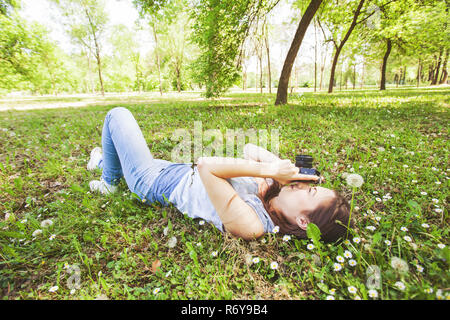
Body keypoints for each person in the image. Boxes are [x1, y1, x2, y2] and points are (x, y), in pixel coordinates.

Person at [88, 107, 352, 242]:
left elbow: (207, 166)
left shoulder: (253, 225)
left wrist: (271, 171)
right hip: (174, 169)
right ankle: (102, 162)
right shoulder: (272, 190)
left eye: (311, 191)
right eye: (309, 183)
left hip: (153, 182)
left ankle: (109, 182)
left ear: (305, 221)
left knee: (117, 115)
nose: (304, 185)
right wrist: (282, 171)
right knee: (122, 154)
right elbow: (251, 149)